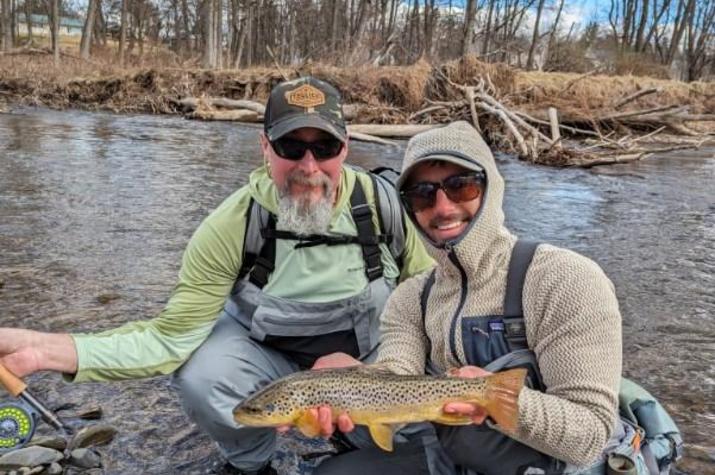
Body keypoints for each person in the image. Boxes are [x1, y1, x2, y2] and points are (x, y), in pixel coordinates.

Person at [0, 77, 436, 474]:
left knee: (422, 434)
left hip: (373, 360)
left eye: (323, 148)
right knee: (200, 375)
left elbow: (434, 305)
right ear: (265, 148)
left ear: (345, 149)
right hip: (270, 361)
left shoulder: (387, 207)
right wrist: (49, 350)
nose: (308, 166)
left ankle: (354, 436)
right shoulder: (232, 225)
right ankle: (252, 462)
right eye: (290, 147)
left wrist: (370, 376)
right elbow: (168, 340)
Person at [311, 121, 628, 475]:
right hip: (457, 461)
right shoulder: (411, 297)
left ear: (490, 187)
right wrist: (353, 383)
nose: (442, 207)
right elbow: (397, 378)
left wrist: (496, 399)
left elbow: (590, 435)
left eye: (461, 186)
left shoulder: (564, 279)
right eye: (422, 193)